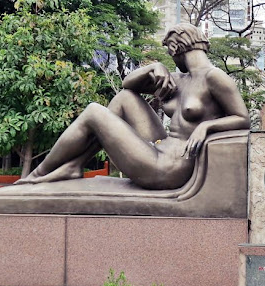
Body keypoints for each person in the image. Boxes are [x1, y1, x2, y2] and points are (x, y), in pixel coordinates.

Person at [17, 23, 251, 189]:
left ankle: (38, 174)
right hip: (160, 147)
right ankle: (74, 166)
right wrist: (153, 67)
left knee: (93, 112)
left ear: (175, 48)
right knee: (124, 98)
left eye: (168, 53)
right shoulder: (179, 80)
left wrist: (207, 127)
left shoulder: (214, 77)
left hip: (170, 167)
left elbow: (243, 118)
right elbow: (127, 85)